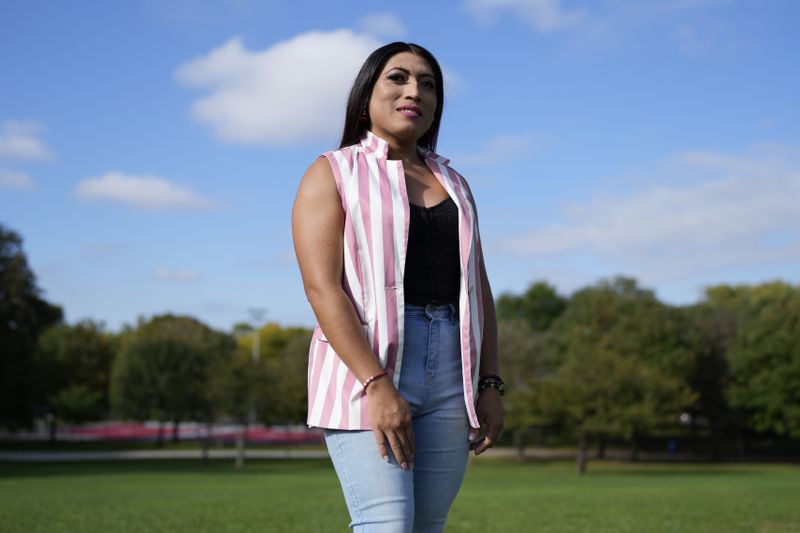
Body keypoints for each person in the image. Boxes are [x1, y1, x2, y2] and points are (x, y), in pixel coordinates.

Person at [292, 41, 504, 533]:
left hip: (453, 373)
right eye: (399, 78)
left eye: (428, 84)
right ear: (367, 91)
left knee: (428, 526)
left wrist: (490, 383)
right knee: (386, 525)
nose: (415, 91)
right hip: (366, 367)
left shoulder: (456, 182)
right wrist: (376, 383)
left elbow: (478, 287)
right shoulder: (332, 171)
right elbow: (323, 288)